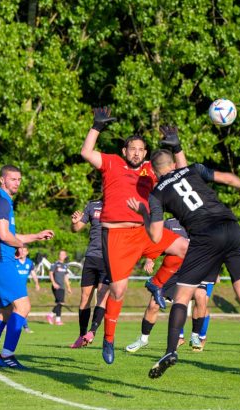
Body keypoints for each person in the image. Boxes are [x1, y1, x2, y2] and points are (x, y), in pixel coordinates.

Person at [129, 136, 240, 380]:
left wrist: (143, 214)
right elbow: (226, 177)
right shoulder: (192, 169)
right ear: (173, 164)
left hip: (205, 236)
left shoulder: (156, 194)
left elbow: (156, 234)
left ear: (154, 170)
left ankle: (170, 351)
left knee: (182, 297)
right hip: (231, 227)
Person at [81, 108, 188, 364]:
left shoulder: (152, 169)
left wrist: (177, 147)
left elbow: (183, 172)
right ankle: (108, 339)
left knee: (185, 247)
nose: (137, 152)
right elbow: (86, 152)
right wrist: (96, 127)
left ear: (145, 152)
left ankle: (157, 283)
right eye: (132, 149)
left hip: (144, 232)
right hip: (117, 236)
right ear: (124, 152)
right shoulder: (111, 163)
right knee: (118, 290)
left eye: (141, 149)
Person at [0, 164, 54, 369]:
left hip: (1, 260)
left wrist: (35, 237)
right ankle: (6, 356)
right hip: (1, 261)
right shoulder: (1, 201)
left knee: (6, 311)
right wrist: (20, 245)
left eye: (19, 179)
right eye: (12, 179)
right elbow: (3, 235)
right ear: (2, 180)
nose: (17, 183)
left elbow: (11, 236)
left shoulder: (4, 200)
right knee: (23, 306)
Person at [126, 218, 216, 353]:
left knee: (201, 296)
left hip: (194, 270)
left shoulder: (200, 221)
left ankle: (195, 336)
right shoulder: (170, 223)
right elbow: (156, 242)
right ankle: (143, 339)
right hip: (172, 271)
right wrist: (150, 259)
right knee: (153, 305)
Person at [69, 200, 111, 348]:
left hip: (108, 259)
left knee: (101, 295)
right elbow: (77, 228)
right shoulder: (92, 206)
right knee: (84, 297)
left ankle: (92, 332)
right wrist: (74, 222)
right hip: (91, 257)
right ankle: (81, 335)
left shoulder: (119, 204)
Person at [15, 246, 40, 333]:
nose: (22, 252)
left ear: (27, 252)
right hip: (13, 288)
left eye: (24, 250)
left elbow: (33, 274)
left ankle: (25, 327)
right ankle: (7, 325)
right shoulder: (14, 261)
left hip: (23, 289)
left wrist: (36, 283)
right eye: (20, 250)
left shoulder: (29, 263)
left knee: (24, 308)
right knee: (12, 308)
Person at [47, 250, 71, 325]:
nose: (61, 256)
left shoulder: (65, 265)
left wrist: (69, 287)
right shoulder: (55, 264)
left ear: (65, 256)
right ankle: (50, 315)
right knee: (61, 302)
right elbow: (50, 273)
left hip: (62, 287)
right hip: (56, 286)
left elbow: (66, 277)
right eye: (60, 254)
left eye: (63, 254)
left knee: (59, 303)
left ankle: (58, 320)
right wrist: (54, 283)